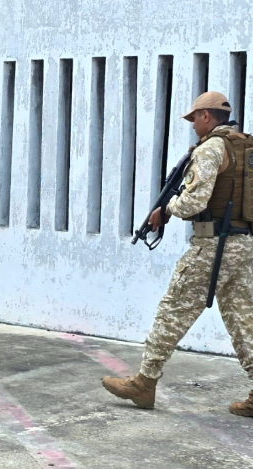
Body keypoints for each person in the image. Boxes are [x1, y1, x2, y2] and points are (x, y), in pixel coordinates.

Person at [102, 91, 253, 417]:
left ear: (206, 116)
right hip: (242, 244)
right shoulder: (245, 148)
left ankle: (144, 382)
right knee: (244, 320)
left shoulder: (212, 148)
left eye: (194, 118)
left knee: (173, 309)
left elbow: (194, 201)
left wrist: (167, 209)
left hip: (213, 245)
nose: (193, 125)